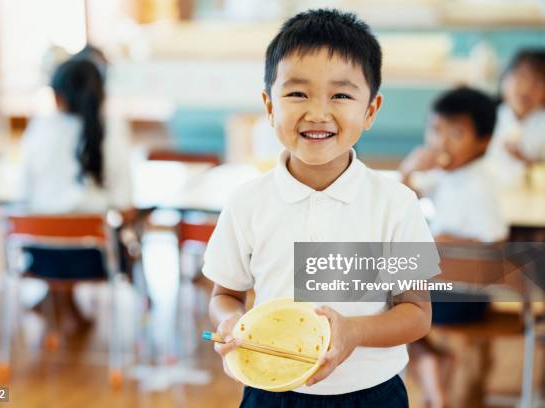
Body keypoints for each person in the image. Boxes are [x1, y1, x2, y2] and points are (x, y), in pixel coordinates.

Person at [204, 9, 437, 407]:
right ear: (269, 105)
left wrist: (354, 331)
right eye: (297, 93)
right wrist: (230, 321)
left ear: (371, 110)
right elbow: (224, 294)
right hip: (271, 389)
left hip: (371, 394)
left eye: (341, 95)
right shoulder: (247, 202)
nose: (317, 112)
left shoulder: (396, 203)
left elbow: (416, 312)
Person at [399, 87, 508, 408]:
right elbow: (404, 202)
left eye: (456, 134)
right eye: (435, 130)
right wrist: (408, 171)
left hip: (468, 295)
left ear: (483, 141)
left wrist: (441, 242)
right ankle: (436, 367)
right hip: (447, 287)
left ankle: (437, 394)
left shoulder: (478, 184)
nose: (441, 143)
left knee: (388, 307)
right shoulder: (450, 173)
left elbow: (494, 244)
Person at [19, 58, 135, 333]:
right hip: (92, 258)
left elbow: (22, 196)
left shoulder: (39, 129)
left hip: (40, 254)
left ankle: (57, 301)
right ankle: (63, 305)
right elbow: (126, 207)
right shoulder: (111, 131)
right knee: (119, 235)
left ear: (57, 97)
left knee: (54, 228)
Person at [485, 49, 545, 187]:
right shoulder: (488, 115)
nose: (526, 89)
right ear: (504, 80)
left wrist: (526, 161)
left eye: (538, 82)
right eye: (521, 77)